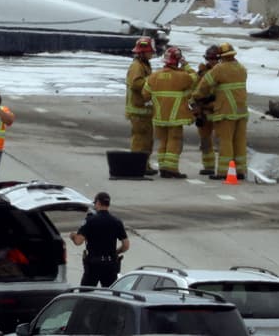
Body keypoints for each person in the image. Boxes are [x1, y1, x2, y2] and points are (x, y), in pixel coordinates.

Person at [194, 42, 248, 180]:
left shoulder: (219, 69)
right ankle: (240, 170)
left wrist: (196, 97)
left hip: (226, 111)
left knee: (225, 141)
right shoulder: (241, 68)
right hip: (241, 111)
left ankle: (224, 172)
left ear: (221, 56)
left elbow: (204, 85)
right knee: (239, 141)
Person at [143, 46, 196, 178]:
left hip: (159, 116)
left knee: (163, 142)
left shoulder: (153, 77)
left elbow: (145, 95)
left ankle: (163, 167)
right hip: (175, 117)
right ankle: (171, 169)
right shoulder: (182, 76)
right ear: (177, 61)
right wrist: (186, 65)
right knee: (174, 140)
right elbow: (195, 78)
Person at [69, 192, 129, 287]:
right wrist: (116, 252)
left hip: (94, 265)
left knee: (85, 294)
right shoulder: (116, 221)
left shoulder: (90, 220)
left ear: (98, 202)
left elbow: (78, 241)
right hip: (110, 265)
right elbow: (126, 245)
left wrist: (72, 236)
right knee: (110, 294)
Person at [126, 36, 156, 176]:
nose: (152, 54)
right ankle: (136, 166)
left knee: (147, 141)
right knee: (139, 141)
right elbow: (136, 84)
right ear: (142, 53)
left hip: (144, 111)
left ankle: (144, 165)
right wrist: (151, 82)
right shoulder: (137, 66)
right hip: (138, 111)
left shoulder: (143, 64)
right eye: (150, 51)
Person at [192, 45, 221, 175]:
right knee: (205, 141)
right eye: (209, 59)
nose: (211, 61)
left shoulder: (223, 73)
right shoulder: (202, 73)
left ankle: (225, 168)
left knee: (222, 141)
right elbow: (195, 91)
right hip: (204, 112)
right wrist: (196, 107)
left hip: (219, 111)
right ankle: (208, 166)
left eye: (214, 59)